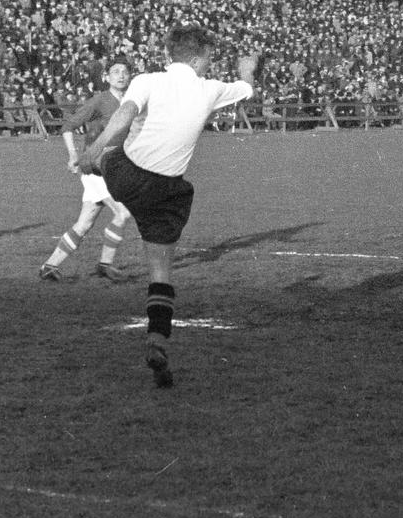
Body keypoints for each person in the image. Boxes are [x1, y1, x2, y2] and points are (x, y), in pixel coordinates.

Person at [77, 27, 256, 389]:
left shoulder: (148, 81)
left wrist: (91, 155)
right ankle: (157, 338)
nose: (210, 63)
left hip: (126, 177)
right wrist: (247, 68)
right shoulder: (211, 89)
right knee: (161, 272)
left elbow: (123, 116)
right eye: (208, 57)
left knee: (115, 154)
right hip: (166, 191)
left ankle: (158, 347)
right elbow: (246, 88)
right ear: (196, 57)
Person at [40, 57, 135, 282]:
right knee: (122, 213)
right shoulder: (100, 101)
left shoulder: (132, 102)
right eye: (115, 71)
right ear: (107, 77)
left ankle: (49, 266)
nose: (121, 75)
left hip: (113, 168)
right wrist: (73, 155)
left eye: (124, 71)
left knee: (84, 224)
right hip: (94, 168)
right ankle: (105, 264)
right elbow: (68, 126)